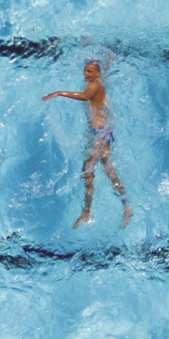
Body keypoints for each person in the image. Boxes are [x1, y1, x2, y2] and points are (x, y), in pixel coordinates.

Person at [43, 59, 132, 227]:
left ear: (96, 73)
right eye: (84, 70)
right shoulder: (99, 81)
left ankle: (87, 212)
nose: (85, 74)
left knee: (88, 169)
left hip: (100, 135)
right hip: (102, 133)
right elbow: (104, 72)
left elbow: (85, 96)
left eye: (89, 71)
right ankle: (126, 207)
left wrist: (59, 92)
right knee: (108, 172)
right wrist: (108, 60)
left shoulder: (93, 85)